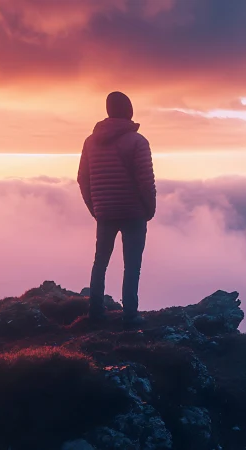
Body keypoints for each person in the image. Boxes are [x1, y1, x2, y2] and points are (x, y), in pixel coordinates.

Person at [77, 91, 156, 327]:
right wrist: (149, 209)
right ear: (129, 111)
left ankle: (95, 312)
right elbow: (146, 181)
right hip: (133, 212)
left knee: (100, 261)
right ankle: (130, 314)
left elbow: (82, 178)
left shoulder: (91, 142)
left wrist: (95, 207)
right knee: (132, 264)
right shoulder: (138, 141)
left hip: (105, 212)